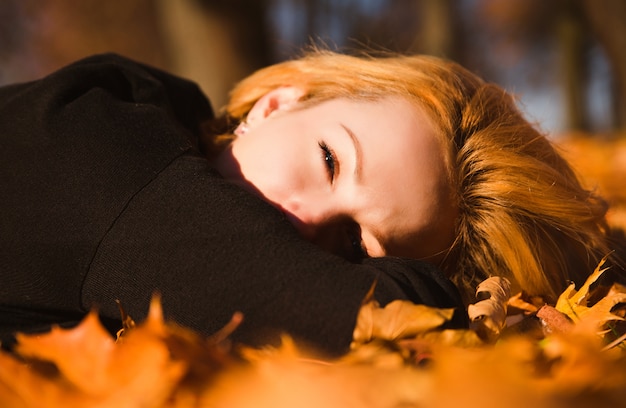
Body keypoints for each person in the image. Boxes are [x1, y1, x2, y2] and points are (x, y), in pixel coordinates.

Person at [0, 49, 619, 354]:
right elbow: (339, 313)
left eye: (355, 246)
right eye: (330, 160)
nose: (303, 223)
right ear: (275, 105)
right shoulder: (96, 144)